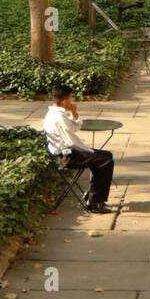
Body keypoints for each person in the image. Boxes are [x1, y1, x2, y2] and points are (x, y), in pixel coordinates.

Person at [43, 84, 115, 214]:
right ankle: (94, 203)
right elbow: (72, 140)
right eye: (70, 98)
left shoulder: (56, 114)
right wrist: (89, 151)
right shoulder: (58, 117)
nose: (71, 101)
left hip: (70, 151)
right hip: (67, 156)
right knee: (106, 161)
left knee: (107, 156)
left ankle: (91, 194)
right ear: (64, 100)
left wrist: (74, 113)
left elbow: (75, 127)